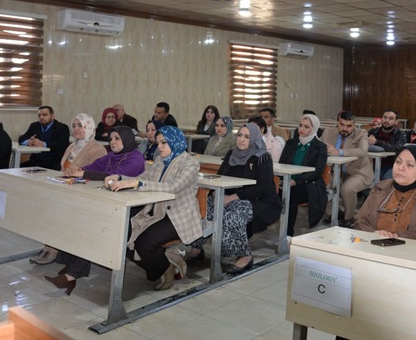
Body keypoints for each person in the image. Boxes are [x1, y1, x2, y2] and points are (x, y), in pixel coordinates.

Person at [331, 145, 416, 340]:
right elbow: (361, 220)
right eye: (398, 162)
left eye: (409, 165)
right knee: (358, 309)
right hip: (373, 262)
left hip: (412, 268)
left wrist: (398, 236)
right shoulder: (381, 188)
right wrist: (374, 233)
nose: (400, 168)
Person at [43, 126, 145, 292]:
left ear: (127, 139)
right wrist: (78, 170)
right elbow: (94, 167)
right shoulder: (111, 156)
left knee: (92, 226)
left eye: (117, 138)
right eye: (111, 139)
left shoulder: (136, 158)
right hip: (110, 201)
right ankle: (71, 268)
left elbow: (116, 177)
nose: (112, 142)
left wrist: (83, 174)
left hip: (129, 208)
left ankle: (71, 275)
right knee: (77, 217)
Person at [110, 126, 201, 290]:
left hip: (179, 216)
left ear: (175, 141)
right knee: (125, 235)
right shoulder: (160, 160)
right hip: (158, 211)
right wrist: (121, 178)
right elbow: (143, 178)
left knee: (144, 243)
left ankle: (164, 267)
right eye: (158, 143)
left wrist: (138, 183)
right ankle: (166, 263)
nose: (159, 147)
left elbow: (172, 187)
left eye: (164, 143)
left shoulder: (190, 164)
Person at [190, 123, 280, 274]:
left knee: (233, 214)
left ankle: (245, 255)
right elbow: (220, 176)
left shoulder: (262, 158)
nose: (242, 139)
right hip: (230, 197)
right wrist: (215, 193)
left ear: (254, 139)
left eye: (247, 137)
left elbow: (262, 188)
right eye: (239, 135)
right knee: (205, 208)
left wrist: (233, 197)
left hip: (260, 202)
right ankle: (196, 248)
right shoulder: (232, 154)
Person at [29, 113, 108, 266]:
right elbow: (62, 170)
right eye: (74, 125)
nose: (76, 129)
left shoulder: (98, 150)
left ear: (89, 127)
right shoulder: (72, 147)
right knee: (46, 207)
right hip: (65, 190)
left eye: (81, 125)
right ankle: (48, 246)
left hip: (83, 195)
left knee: (57, 211)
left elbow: (96, 177)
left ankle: (53, 249)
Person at [279, 113, 328, 236]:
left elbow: (317, 172)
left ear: (314, 128)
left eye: (306, 127)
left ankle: (287, 234)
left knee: (291, 194)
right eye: (300, 125)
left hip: (309, 184)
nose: (301, 129)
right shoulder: (290, 143)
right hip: (287, 181)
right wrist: (282, 180)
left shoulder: (320, 147)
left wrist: (295, 181)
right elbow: (281, 164)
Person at [320, 111, 372, 228]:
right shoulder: (328, 132)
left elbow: (362, 151)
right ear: (337, 123)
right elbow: (318, 147)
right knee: (321, 185)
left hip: (358, 172)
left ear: (354, 125)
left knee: (346, 189)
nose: (345, 128)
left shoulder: (361, 133)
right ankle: (334, 213)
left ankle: (349, 218)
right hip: (334, 171)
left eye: (349, 126)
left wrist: (339, 152)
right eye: (342, 124)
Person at [17, 106, 70, 170]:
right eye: (39, 115)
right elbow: (21, 138)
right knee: (17, 169)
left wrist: (44, 144)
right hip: (36, 160)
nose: (41, 117)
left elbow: (62, 145)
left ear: (52, 116)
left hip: (54, 162)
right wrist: (28, 142)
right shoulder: (34, 126)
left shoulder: (62, 128)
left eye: (44, 115)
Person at [367, 109, 406, 179]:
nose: (387, 120)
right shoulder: (373, 132)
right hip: (371, 163)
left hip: (391, 164)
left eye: (391, 118)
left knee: (386, 180)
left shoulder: (401, 135)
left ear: (396, 122)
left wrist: (377, 142)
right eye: (385, 117)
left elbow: (396, 148)